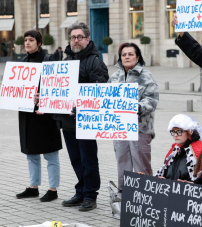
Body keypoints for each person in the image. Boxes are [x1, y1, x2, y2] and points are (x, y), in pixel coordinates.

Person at [59, 22, 109, 211]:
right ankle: (80, 191)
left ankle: (90, 195)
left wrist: (84, 106)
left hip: (86, 120)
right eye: (73, 37)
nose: (76, 40)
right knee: (75, 159)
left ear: (87, 39)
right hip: (68, 120)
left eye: (79, 37)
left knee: (88, 160)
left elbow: (101, 91)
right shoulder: (65, 62)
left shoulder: (95, 62)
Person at [15, 30, 62, 202]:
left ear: (39, 42)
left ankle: (53, 189)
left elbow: (58, 86)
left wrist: (43, 95)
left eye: (31, 40)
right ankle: (33, 187)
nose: (27, 43)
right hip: (27, 115)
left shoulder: (49, 60)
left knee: (50, 153)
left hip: (46, 114)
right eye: (25, 40)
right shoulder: (24, 61)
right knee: (31, 153)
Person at [109, 42, 159, 198]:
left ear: (137, 57)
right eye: (124, 54)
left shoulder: (146, 75)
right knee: (122, 162)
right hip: (119, 128)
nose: (127, 57)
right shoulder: (115, 76)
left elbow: (152, 100)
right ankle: (125, 195)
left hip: (140, 128)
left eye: (130, 54)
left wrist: (135, 107)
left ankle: (146, 195)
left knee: (141, 163)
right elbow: (105, 99)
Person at [155, 114, 202, 181]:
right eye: (173, 132)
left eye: (179, 132)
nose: (175, 135)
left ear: (189, 132)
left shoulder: (197, 151)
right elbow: (164, 172)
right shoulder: (175, 149)